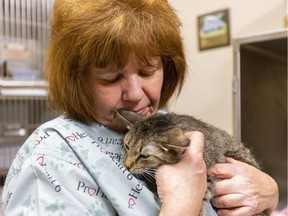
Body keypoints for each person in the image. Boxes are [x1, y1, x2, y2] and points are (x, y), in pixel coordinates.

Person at [2, 0, 278, 215]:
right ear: (76, 80)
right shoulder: (50, 161)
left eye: (148, 72)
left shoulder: (160, 124)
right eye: (111, 78)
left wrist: (268, 191)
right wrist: (181, 206)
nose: (136, 95)